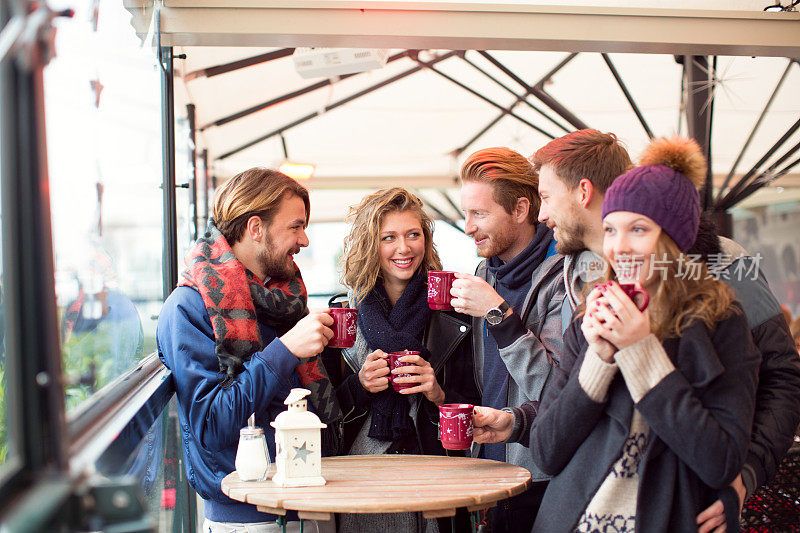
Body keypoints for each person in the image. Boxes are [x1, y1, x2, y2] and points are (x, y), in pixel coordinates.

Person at [473, 129, 800, 532]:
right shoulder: (579, 277)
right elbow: (579, 403)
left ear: (583, 191)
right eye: (613, 230)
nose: (541, 214)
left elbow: (782, 377)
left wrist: (745, 474)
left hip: (680, 496)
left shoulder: (723, 264)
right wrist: (522, 421)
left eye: (547, 196)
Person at [530, 136, 760, 532]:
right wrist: (597, 362)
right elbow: (546, 452)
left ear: (672, 239)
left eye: (638, 229)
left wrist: (640, 351)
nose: (619, 248)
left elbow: (719, 462)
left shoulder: (720, 321)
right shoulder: (590, 316)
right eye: (611, 230)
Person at [157, 168, 340, 533]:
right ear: (256, 228)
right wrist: (286, 349)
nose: (304, 239)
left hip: (312, 504)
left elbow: (301, 407)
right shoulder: (187, 308)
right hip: (247, 518)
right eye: (296, 226)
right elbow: (212, 424)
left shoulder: (281, 301)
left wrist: (361, 383)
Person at [331, 187, 479, 533]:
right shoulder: (343, 320)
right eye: (389, 237)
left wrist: (437, 393)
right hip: (360, 481)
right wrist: (359, 386)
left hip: (434, 476)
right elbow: (323, 416)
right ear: (370, 245)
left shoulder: (454, 316)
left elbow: (480, 407)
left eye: (414, 235)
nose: (404, 248)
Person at [449, 147, 564, 532]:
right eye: (466, 213)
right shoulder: (486, 271)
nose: (468, 227)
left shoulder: (564, 277)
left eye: (479, 214)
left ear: (520, 209)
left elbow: (553, 389)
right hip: (488, 467)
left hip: (540, 475)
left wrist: (499, 315)